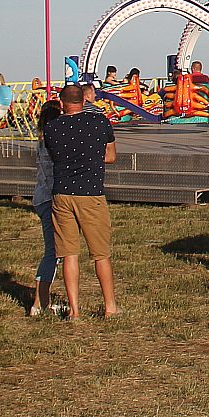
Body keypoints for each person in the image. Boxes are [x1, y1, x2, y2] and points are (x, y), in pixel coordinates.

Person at [43, 84, 120, 319]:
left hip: (62, 193)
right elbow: (111, 156)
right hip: (90, 192)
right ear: (84, 100)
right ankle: (110, 306)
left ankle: (75, 311)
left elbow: (54, 155)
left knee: (69, 254)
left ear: (62, 102)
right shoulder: (99, 123)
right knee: (100, 253)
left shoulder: (51, 128)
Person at [31, 99, 63, 316]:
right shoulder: (53, 142)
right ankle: (39, 302)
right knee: (53, 252)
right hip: (53, 198)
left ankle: (42, 299)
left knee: (55, 251)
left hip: (41, 196)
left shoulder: (41, 140)